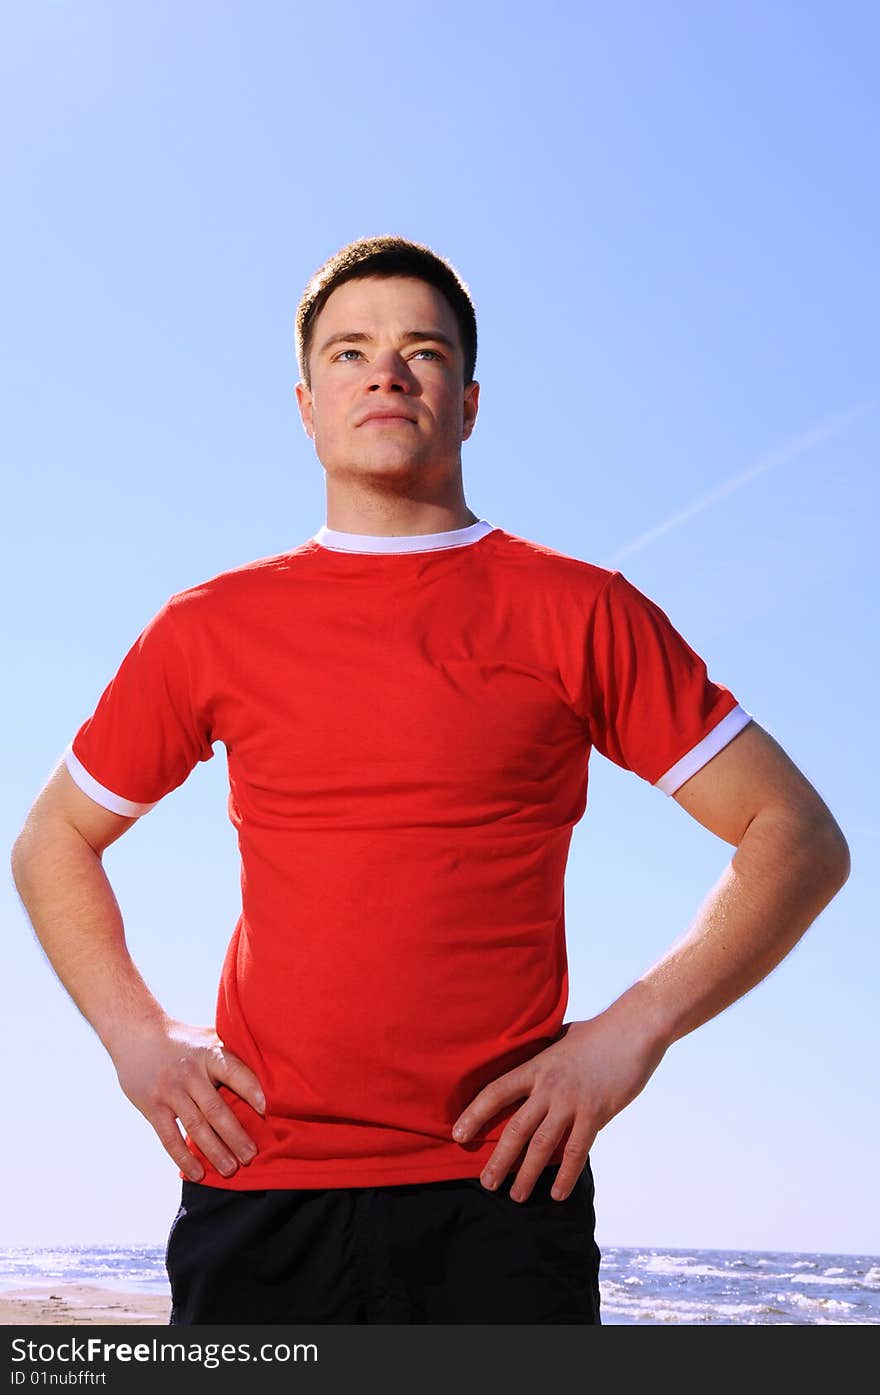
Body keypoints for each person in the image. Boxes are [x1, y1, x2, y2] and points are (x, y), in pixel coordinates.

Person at [10, 235, 850, 1326]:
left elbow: (796, 834)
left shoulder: (580, 610)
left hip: (502, 1193)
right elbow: (50, 840)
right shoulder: (206, 628)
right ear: (307, 404)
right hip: (259, 1189)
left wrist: (630, 1030)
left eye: (423, 350)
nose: (388, 373)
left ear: (469, 401)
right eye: (352, 352)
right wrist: (134, 1035)